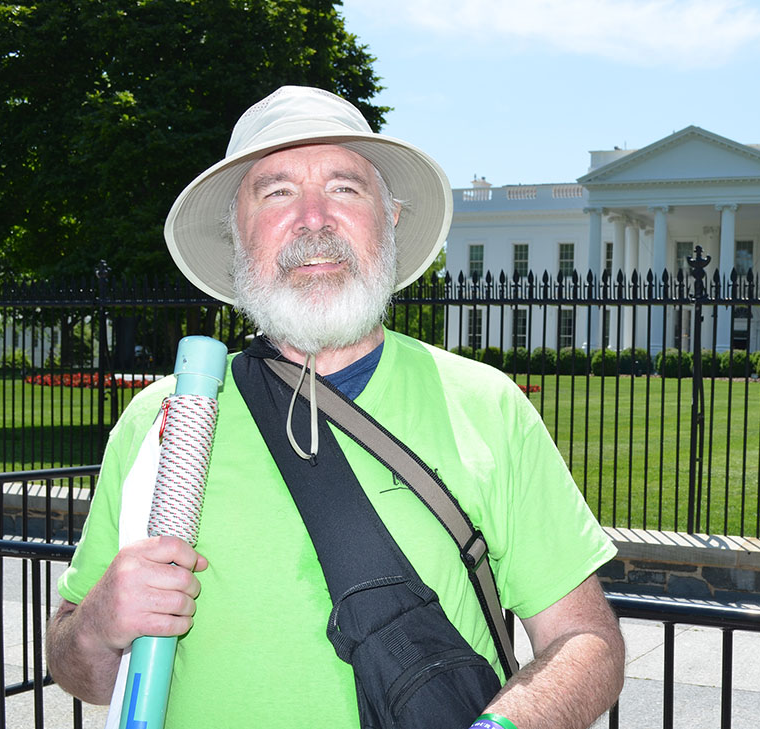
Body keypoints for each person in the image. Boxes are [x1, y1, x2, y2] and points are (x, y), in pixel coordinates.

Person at [46, 86, 625, 729]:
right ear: (236, 231)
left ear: (391, 218)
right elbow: (81, 673)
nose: (314, 219)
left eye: (345, 188)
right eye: (277, 192)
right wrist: (97, 627)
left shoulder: (488, 406)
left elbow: (586, 642)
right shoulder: (163, 425)